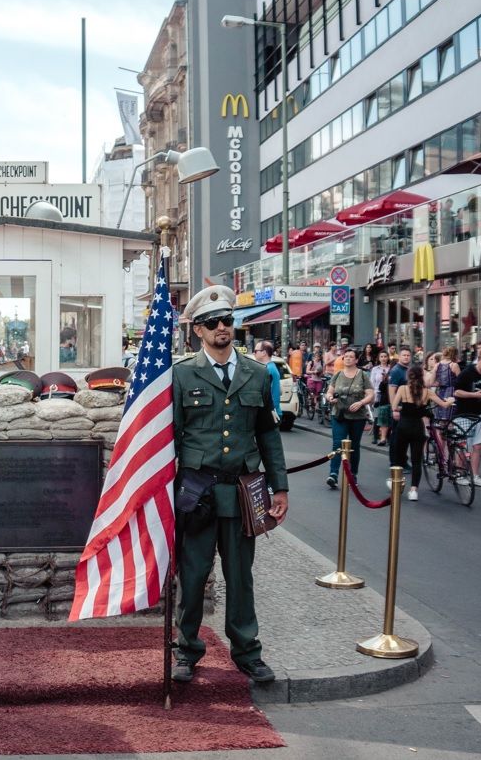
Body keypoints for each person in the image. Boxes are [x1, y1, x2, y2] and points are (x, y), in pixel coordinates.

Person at [169, 285, 289, 686]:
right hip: (197, 494)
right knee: (193, 574)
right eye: (212, 323)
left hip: (242, 492)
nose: (222, 328)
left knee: (241, 576)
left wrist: (281, 488)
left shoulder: (256, 373)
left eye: (227, 321)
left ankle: (247, 652)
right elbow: (172, 436)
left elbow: (268, 436)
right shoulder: (183, 374)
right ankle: (186, 650)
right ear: (198, 331)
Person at [392, 362, 453, 500]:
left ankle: (396, 482)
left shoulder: (402, 389)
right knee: (416, 460)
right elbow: (443, 404)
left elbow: (395, 407)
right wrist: (450, 400)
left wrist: (405, 408)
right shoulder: (427, 392)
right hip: (417, 429)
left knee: (399, 456)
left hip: (403, 427)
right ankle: (414, 490)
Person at [326, 349, 374, 489]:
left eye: (351, 357)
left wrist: (361, 403)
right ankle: (333, 474)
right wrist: (330, 398)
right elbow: (329, 392)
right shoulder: (338, 375)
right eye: (345, 356)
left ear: (356, 360)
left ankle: (353, 474)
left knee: (354, 446)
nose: (347, 359)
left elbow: (370, 394)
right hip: (339, 415)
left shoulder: (363, 375)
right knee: (337, 445)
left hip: (357, 417)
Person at [453, 350, 481, 487]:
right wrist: (474, 395)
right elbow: (457, 392)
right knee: (462, 445)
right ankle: (459, 473)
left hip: (478, 416)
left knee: (478, 446)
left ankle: (475, 475)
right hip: (463, 414)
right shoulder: (467, 373)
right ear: (478, 360)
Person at [253, 340, 282, 416]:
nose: (254, 353)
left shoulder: (267, 370)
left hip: (269, 414)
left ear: (264, 353)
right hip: (272, 412)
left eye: (256, 351)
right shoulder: (271, 367)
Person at [370, 350, 392, 445]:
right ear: (379, 358)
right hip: (377, 394)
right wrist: (372, 395)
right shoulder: (375, 369)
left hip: (387, 395)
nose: (383, 358)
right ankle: (375, 437)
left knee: (387, 415)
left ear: (388, 358)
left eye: (385, 356)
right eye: (381, 357)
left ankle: (387, 437)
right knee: (377, 415)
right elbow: (372, 382)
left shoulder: (390, 368)